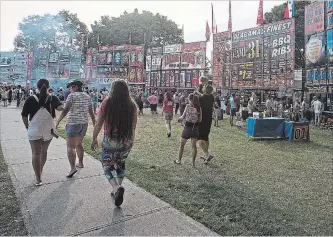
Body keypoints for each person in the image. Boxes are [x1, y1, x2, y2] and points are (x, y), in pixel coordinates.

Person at [91, 80, 138, 207]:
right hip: (126, 140)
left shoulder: (107, 102)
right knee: (120, 163)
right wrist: (131, 141)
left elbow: (99, 123)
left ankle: (116, 188)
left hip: (110, 140)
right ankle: (118, 188)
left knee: (107, 164)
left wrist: (94, 138)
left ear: (112, 89)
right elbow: (133, 126)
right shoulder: (132, 105)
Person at [21, 79, 64, 186]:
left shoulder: (31, 99)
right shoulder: (53, 98)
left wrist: (27, 126)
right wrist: (67, 104)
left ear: (37, 86)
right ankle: (40, 170)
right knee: (44, 152)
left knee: (36, 153)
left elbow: (24, 115)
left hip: (34, 129)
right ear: (48, 86)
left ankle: (38, 178)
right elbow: (60, 108)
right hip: (48, 129)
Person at [56, 80, 96, 178]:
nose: (70, 89)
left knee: (70, 147)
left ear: (75, 87)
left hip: (73, 123)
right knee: (79, 144)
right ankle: (81, 163)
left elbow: (66, 109)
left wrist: (58, 120)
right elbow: (91, 111)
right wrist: (94, 122)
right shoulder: (87, 96)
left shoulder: (72, 96)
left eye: (70, 87)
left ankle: (72, 168)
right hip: (83, 124)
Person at [174, 93, 202, 167]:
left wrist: (179, 119)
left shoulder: (187, 106)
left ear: (190, 100)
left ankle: (179, 160)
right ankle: (193, 163)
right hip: (195, 128)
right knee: (193, 146)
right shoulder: (199, 108)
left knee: (182, 144)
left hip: (187, 127)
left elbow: (182, 117)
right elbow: (200, 120)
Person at [198, 84, 214, 164]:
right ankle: (206, 155)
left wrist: (196, 91)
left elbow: (201, 97)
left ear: (204, 89)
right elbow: (204, 96)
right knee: (206, 137)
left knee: (200, 138)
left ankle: (207, 154)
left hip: (202, 119)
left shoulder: (200, 98)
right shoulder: (211, 97)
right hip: (209, 119)